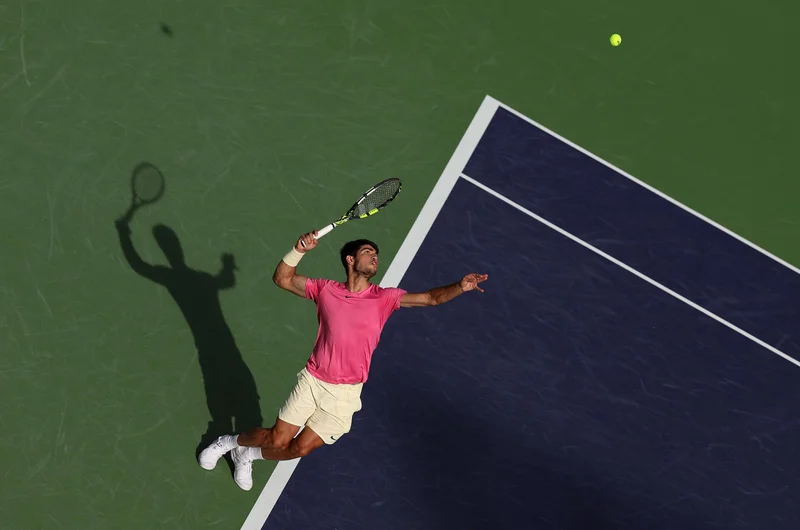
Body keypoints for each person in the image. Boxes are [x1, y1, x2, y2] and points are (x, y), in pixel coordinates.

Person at [198, 230, 488, 490]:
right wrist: (298, 250)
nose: (374, 257)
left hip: (346, 395)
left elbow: (431, 298)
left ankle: (246, 454)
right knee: (277, 440)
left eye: (376, 254)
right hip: (313, 381)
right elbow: (282, 279)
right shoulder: (326, 290)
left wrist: (459, 286)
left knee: (298, 449)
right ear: (350, 260)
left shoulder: (385, 298)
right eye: (368, 252)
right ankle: (228, 442)